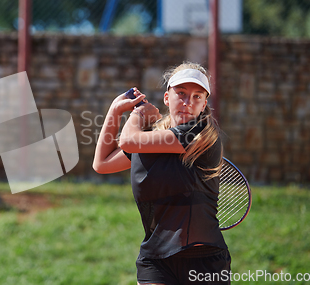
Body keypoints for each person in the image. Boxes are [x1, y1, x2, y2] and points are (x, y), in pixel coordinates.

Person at [93, 62, 231, 285]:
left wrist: (137, 115)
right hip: (155, 260)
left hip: (204, 260)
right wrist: (115, 109)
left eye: (197, 97)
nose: (188, 103)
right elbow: (102, 163)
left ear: (205, 103)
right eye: (181, 93)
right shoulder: (150, 139)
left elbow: (129, 140)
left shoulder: (201, 134)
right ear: (167, 98)